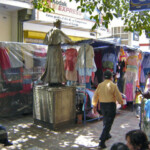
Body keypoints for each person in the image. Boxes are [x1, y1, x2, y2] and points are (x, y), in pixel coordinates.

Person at [92, 70, 123, 149]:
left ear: (103, 77)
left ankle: (107, 134)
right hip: (111, 105)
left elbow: (95, 96)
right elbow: (118, 96)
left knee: (106, 120)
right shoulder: (113, 85)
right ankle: (102, 141)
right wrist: (121, 102)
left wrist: (94, 105)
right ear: (111, 77)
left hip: (102, 105)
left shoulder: (100, 85)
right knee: (108, 123)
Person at [41, 19, 73, 86]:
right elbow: (67, 39)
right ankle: (56, 81)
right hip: (56, 50)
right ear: (58, 24)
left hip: (50, 51)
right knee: (57, 65)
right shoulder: (58, 31)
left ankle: (51, 81)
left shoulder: (49, 32)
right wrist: (72, 42)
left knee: (51, 65)